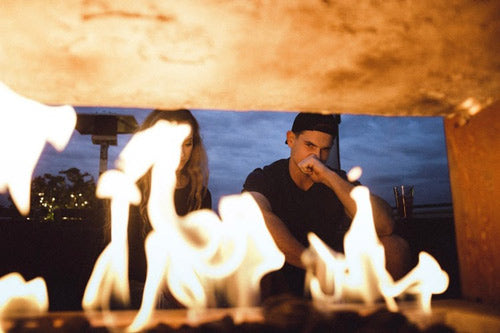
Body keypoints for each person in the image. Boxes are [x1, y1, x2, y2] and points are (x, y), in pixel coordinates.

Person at [242, 112, 412, 299]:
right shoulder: (265, 177)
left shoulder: (335, 178)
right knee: (250, 251)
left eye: (325, 149)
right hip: (282, 270)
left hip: (333, 275)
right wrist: (313, 264)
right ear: (291, 139)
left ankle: (375, 323)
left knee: (395, 247)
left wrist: (329, 178)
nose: (317, 156)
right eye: (309, 145)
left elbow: (385, 224)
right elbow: (255, 218)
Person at [128, 109, 212, 308]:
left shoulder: (199, 194)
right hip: (141, 287)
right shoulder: (133, 191)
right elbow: (131, 255)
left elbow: (199, 251)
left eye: (188, 143)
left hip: (186, 285)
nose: (181, 154)